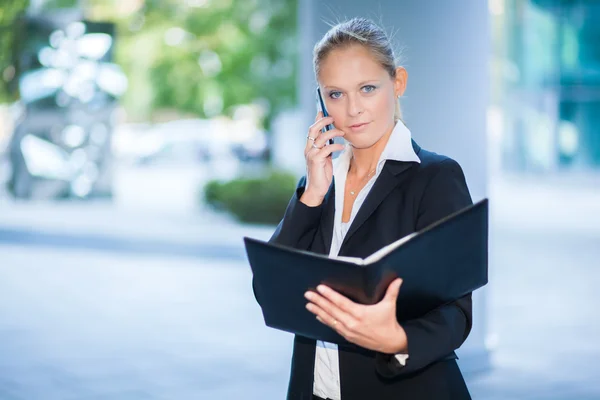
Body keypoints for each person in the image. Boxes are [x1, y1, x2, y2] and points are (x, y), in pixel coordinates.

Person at [260, 17, 474, 400]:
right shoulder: (320, 185)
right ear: (321, 100)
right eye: (336, 94)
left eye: (368, 88)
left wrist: (398, 338)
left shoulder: (436, 178)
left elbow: (456, 312)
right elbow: (270, 290)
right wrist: (311, 193)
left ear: (398, 83)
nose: (354, 109)